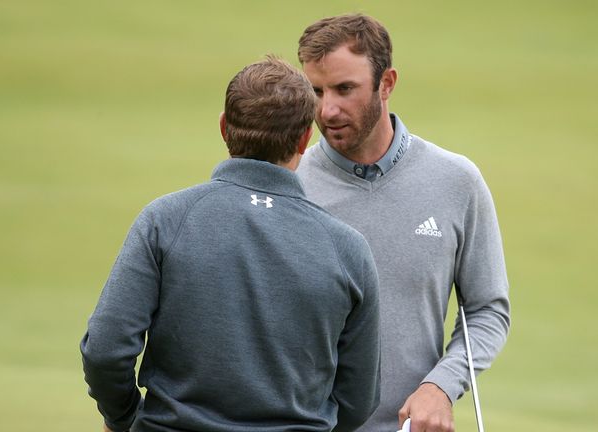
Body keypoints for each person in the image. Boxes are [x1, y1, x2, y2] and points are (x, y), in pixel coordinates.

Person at [80, 56, 381, 432]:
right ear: (306, 138)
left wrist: (124, 417)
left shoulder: (165, 220)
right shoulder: (347, 248)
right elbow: (358, 399)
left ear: (224, 128)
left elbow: (106, 350)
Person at [296, 14, 511, 432]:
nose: (327, 109)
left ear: (387, 83)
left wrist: (442, 386)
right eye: (316, 91)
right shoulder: (291, 184)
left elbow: (488, 309)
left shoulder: (456, 181)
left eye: (345, 89)